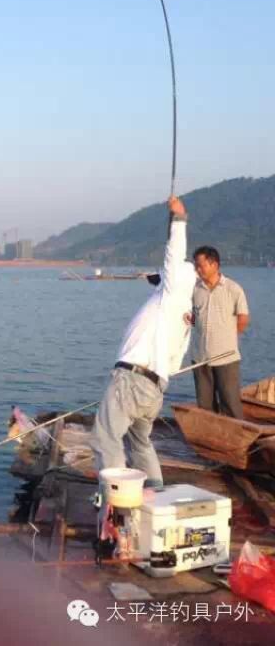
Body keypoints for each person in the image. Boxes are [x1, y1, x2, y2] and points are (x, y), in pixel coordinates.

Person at [90, 196, 196, 489]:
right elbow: (161, 276)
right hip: (154, 388)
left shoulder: (173, 295)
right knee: (141, 443)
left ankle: (117, 502)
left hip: (133, 380)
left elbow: (173, 259)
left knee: (105, 437)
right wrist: (155, 278)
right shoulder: (183, 312)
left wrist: (178, 219)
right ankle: (156, 493)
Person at [189, 246, 250, 418]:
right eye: (196, 266)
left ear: (214, 264)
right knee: (205, 405)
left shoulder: (233, 288)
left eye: (201, 266)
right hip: (200, 358)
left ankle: (237, 440)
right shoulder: (195, 290)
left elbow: (243, 319)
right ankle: (212, 439)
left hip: (226, 357)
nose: (198, 270)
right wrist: (189, 319)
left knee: (230, 402)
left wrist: (226, 339)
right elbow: (193, 318)